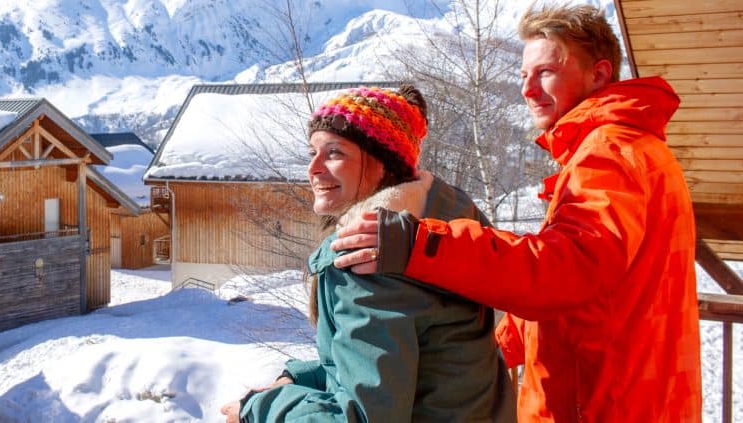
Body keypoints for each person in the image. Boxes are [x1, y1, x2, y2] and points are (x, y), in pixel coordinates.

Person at [331, 4, 701, 422]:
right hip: (636, 398)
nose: (528, 89)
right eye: (524, 75)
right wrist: (484, 349)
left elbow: (566, 270)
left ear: (598, 74)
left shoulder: (610, 154)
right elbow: (583, 293)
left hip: (597, 405)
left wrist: (421, 244)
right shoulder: (637, 149)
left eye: (545, 72)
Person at [220, 85, 516, 422]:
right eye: (311, 153)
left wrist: (259, 409)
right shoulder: (437, 235)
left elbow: (361, 417)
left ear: (383, 164)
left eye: (334, 153)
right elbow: (416, 366)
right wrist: (303, 378)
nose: (313, 168)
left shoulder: (369, 261)